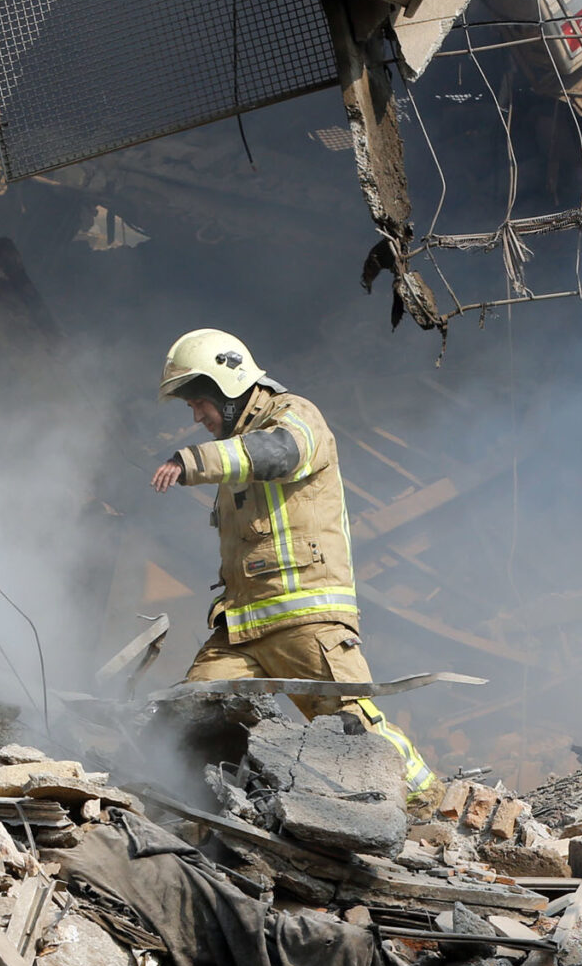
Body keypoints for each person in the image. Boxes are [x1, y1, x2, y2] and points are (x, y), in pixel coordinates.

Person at [147, 327, 436, 797]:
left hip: (305, 620)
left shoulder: (297, 418)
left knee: (353, 730)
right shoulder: (235, 455)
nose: (196, 416)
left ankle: (434, 810)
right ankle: (192, 821)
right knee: (188, 713)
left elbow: (281, 453)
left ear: (228, 385)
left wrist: (191, 461)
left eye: (199, 401)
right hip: (242, 630)